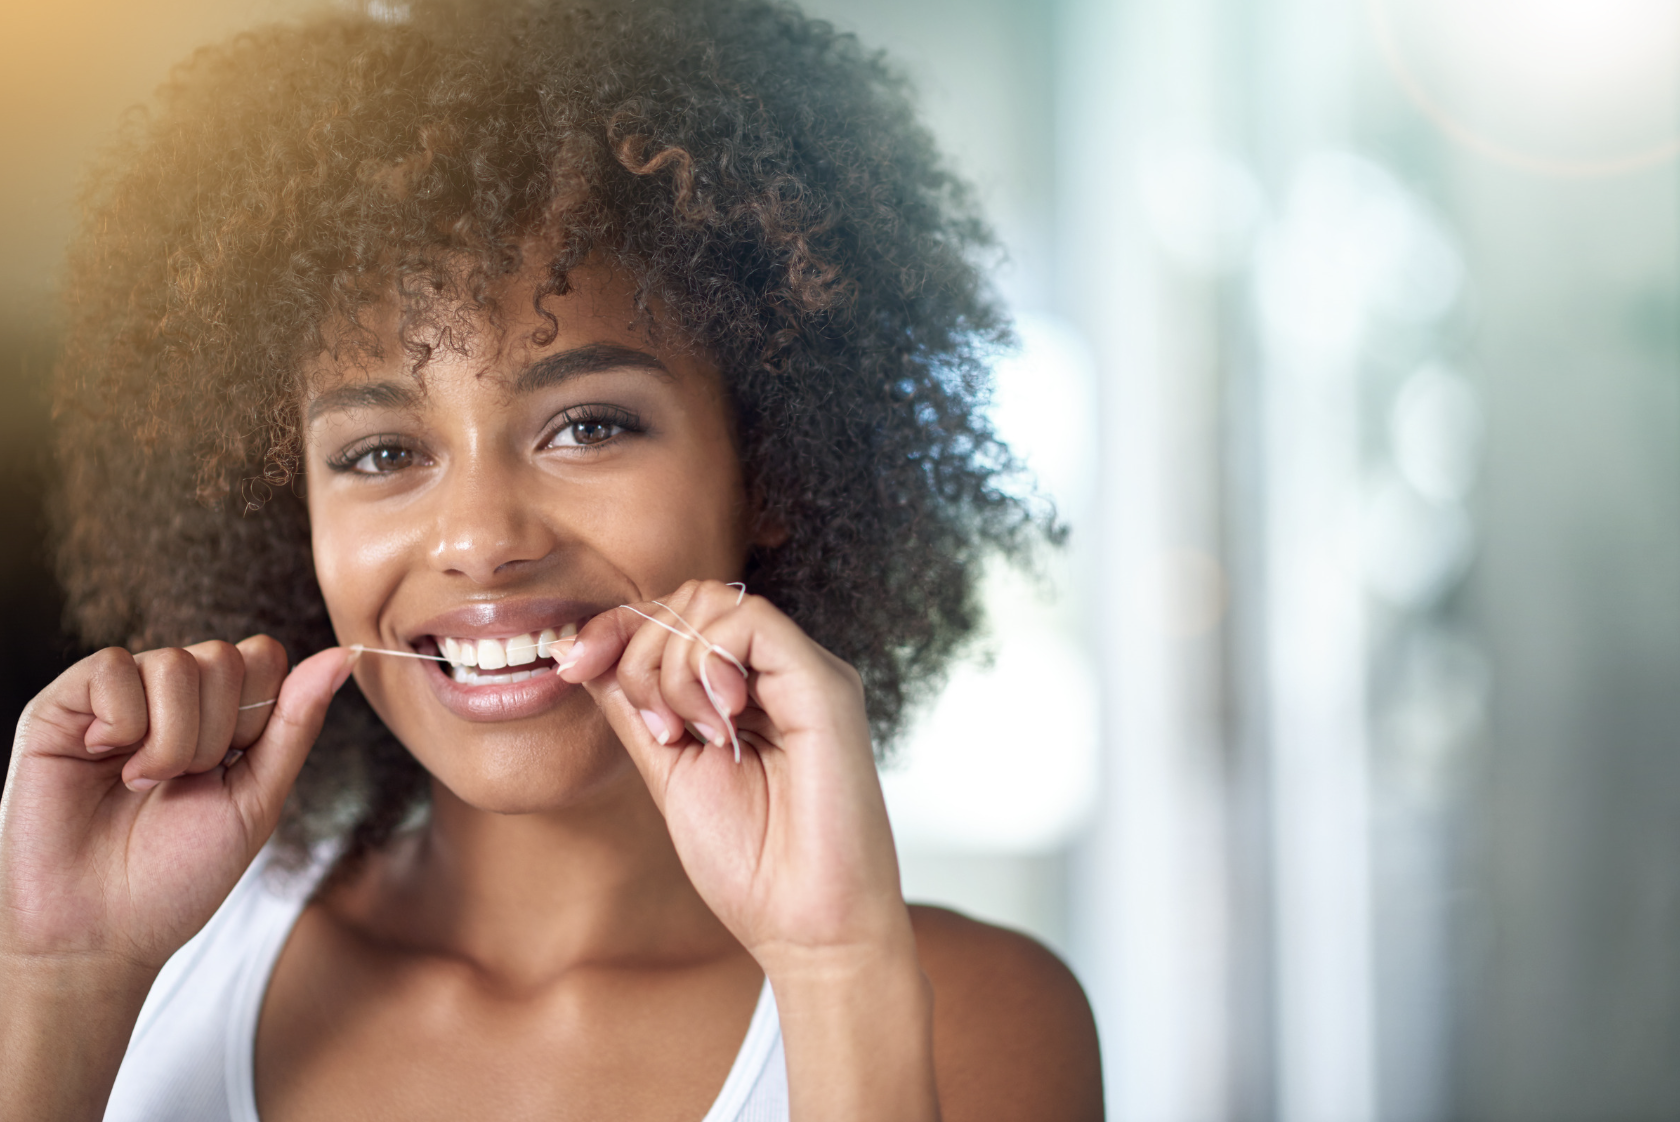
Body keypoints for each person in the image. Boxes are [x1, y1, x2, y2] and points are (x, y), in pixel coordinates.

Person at [0, 0, 1103, 1118]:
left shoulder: (972, 1015)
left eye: (588, 426)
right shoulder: (141, 973)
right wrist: (64, 984)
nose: (481, 540)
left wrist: (831, 972)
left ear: (769, 468)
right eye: (381, 451)